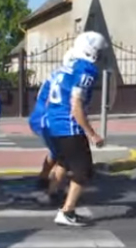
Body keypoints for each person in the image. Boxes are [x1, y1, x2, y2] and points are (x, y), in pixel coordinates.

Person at [45, 31, 108, 227]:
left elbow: (49, 99)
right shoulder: (86, 69)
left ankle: (52, 193)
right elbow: (76, 105)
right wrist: (92, 134)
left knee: (64, 161)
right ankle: (67, 211)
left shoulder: (64, 68)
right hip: (69, 125)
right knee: (83, 171)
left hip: (53, 122)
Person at [29, 48, 75, 192]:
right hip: (51, 119)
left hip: (39, 117)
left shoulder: (56, 74)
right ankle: (52, 192)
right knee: (64, 156)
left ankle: (42, 179)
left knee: (56, 152)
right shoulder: (71, 77)